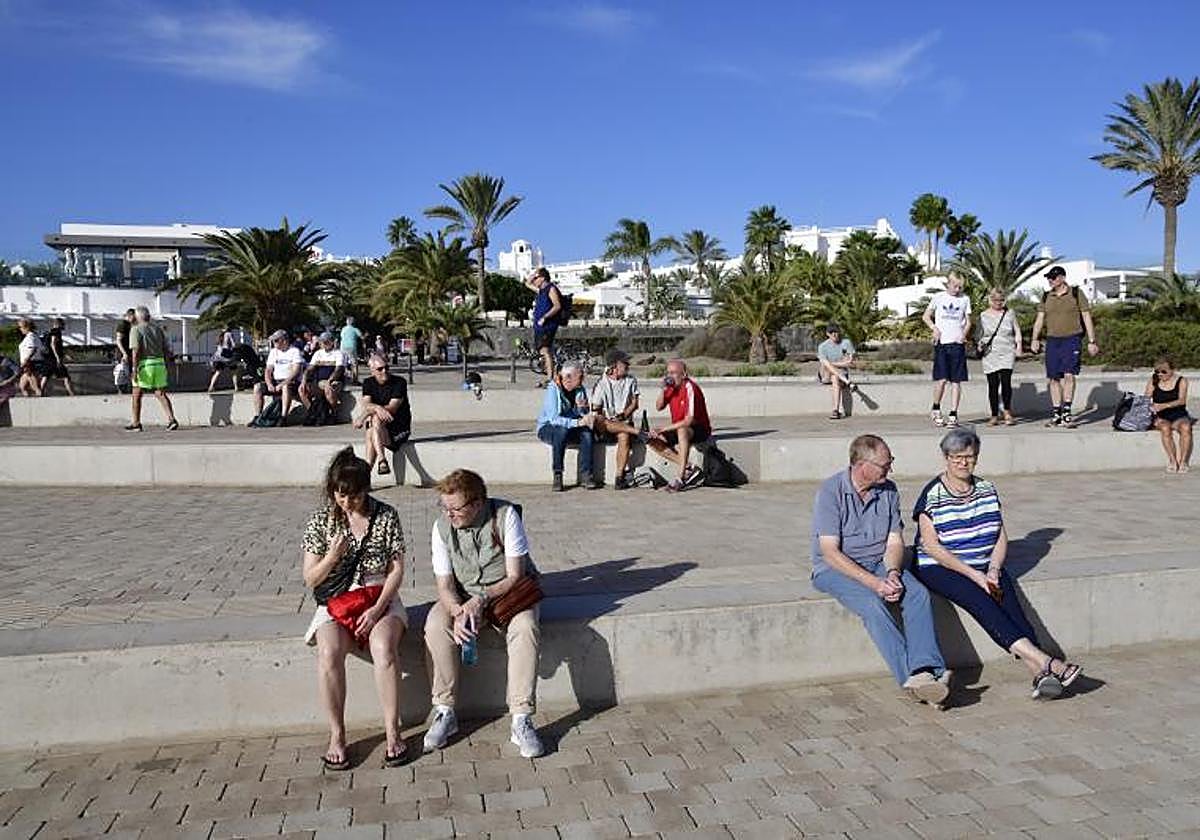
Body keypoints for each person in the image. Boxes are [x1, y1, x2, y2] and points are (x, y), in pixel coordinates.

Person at [912, 429, 1083, 698]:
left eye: (970, 456)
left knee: (1012, 608)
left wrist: (992, 569)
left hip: (984, 564)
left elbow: (1000, 535)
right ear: (946, 458)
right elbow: (932, 547)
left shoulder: (986, 488)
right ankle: (1050, 663)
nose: (964, 463)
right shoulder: (932, 495)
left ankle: (1039, 672)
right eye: (957, 457)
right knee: (984, 604)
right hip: (942, 567)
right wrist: (975, 576)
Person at [811, 434, 950, 705]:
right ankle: (913, 678)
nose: (890, 469)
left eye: (890, 463)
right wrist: (875, 584)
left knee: (918, 594)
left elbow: (894, 541)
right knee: (873, 605)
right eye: (885, 464)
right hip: (835, 569)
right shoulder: (830, 492)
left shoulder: (889, 490)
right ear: (862, 465)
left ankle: (926, 670)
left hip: (878, 563)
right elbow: (830, 552)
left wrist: (893, 573)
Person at [423, 469, 545, 759]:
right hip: (463, 597)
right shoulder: (441, 528)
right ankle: (444, 710)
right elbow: (445, 585)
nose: (449, 514)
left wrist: (481, 599)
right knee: (435, 625)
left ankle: (521, 718)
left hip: (507, 595)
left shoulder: (505, 516)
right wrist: (457, 610)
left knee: (525, 628)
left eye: (456, 508)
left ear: (477, 503)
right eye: (445, 507)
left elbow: (515, 575)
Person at [302, 447, 409, 770]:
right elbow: (310, 579)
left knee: (383, 647)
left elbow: (397, 569)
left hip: (379, 596)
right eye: (340, 495)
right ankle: (337, 734)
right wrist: (332, 557)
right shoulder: (322, 521)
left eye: (354, 495)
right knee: (329, 652)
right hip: (337, 601)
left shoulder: (386, 515)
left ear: (366, 489)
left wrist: (377, 610)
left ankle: (393, 730)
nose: (346, 502)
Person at [1029, 266, 1099, 428]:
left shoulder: (1076, 293)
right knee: (1053, 378)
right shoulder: (1047, 296)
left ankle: (1067, 413)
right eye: (1049, 278)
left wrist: (1092, 341)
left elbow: (1086, 316)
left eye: (1052, 278)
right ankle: (1056, 414)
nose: (1050, 281)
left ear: (1061, 278)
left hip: (1072, 339)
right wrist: (1035, 339)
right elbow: (1039, 319)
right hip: (1053, 341)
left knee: (1069, 375)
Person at [646, 358, 710, 491]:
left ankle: (680, 478)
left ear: (684, 374)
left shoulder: (690, 388)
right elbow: (659, 406)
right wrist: (663, 390)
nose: (670, 376)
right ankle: (688, 467)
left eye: (674, 373)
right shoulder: (670, 388)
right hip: (679, 427)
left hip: (698, 428)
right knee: (650, 438)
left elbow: (688, 421)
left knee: (682, 430)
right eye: (668, 373)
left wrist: (662, 429)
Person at [535, 361, 598, 491]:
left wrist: (583, 410)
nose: (582, 380)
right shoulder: (553, 389)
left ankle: (586, 474)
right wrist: (577, 422)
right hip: (549, 427)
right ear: (568, 377)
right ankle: (557, 473)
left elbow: (582, 413)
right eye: (579, 377)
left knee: (587, 432)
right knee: (561, 431)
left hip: (571, 425)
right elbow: (554, 419)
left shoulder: (579, 389)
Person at [923, 273, 971, 428]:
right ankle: (936, 408)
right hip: (942, 343)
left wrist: (963, 335)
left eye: (960, 287)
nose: (957, 289)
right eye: (955, 286)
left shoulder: (965, 299)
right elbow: (926, 316)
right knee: (942, 380)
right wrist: (934, 328)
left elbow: (968, 321)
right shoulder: (938, 297)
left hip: (957, 344)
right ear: (948, 284)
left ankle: (953, 413)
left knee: (956, 381)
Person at [589, 348, 642, 489]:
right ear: (614, 366)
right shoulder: (601, 384)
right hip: (605, 426)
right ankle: (636, 431)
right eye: (624, 363)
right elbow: (596, 411)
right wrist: (609, 418)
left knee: (624, 435)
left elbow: (635, 403)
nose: (627, 366)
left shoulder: (631, 381)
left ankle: (619, 477)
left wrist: (624, 414)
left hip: (623, 422)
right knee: (600, 421)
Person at [355, 353, 411, 476]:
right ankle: (378, 465)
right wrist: (377, 408)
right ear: (372, 371)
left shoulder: (399, 383)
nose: (384, 371)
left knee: (374, 422)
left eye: (386, 367)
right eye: (380, 369)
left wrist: (364, 416)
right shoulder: (368, 383)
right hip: (380, 430)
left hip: (399, 429)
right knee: (372, 430)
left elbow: (392, 408)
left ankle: (378, 462)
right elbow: (367, 405)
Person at [128, 306, 179, 432]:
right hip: (159, 364)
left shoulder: (136, 330)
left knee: (137, 394)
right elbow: (166, 349)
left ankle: (136, 423)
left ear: (137, 317)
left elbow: (136, 351)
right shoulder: (157, 329)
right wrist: (166, 365)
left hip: (145, 365)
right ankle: (171, 419)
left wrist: (134, 370)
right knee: (160, 393)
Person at [978, 288, 1023, 426]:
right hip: (990, 352)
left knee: (1006, 382)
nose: (998, 303)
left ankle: (1007, 412)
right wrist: (979, 345)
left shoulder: (1009, 313)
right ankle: (994, 415)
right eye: (996, 300)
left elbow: (1017, 330)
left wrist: (1019, 346)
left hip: (1007, 350)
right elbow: (979, 334)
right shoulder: (983, 315)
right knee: (992, 384)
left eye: (1001, 300)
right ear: (990, 300)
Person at [1147, 356, 1193, 474]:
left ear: (1172, 370)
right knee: (1165, 428)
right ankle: (1173, 461)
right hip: (1160, 416)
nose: (1160, 374)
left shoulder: (1181, 381)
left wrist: (1165, 405)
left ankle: (1183, 461)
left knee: (1185, 428)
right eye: (1157, 371)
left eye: (1164, 371)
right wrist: (1153, 406)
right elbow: (1146, 398)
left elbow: (1182, 400)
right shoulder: (1154, 380)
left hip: (1178, 414)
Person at [253, 329, 304, 425]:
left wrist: (282, 384)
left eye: (276, 340)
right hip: (275, 381)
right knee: (258, 387)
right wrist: (269, 384)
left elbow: (295, 371)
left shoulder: (294, 351)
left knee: (285, 387)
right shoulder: (273, 352)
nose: (274, 343)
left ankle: (283, 417)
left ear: (284, 340)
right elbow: (268, 370)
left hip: (291, 382)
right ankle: (258, 416)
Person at [524, 267, 564, 387]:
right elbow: (527, 283)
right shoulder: (541, 290)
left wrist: (545, 317)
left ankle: (550, 378)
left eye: (536, 278)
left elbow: (557, 306)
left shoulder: (551, 289)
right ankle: (551, 376)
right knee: (542, 350)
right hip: (539, 326)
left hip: (548, 325)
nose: (534, 280)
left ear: (542, 278)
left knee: (546, 350)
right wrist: (534, 273)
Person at [301, 332, 347, 420]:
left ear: (332, 342)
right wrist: (303, 380)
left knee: (328, 388)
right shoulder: (318, 353)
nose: (323, 344)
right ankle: (313, 412)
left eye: (326, 342)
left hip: (335, 381)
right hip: (319, 382)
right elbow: (309, 369)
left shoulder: (338, 353)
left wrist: (329, 381)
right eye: (321, 342)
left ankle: (334, 412)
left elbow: (338, 370)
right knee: (301, 390)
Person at [816, 322, 856, 420]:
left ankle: (835, 410)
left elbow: (849, 363)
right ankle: (849, 383)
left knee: (835, 377)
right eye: (831, 332)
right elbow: (824, 364)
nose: (834, 334)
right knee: (831, 371)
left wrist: (831, 364)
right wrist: (837, 363)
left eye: (836, 332)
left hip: (841, 375)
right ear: (827, 334)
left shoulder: (846, 343)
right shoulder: (822, 346)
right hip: (825, 375)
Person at [40, 317, 75, 397]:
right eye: (63, 324)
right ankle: (72, 394)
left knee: (46, 376)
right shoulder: (56, 332)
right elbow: (53, 344)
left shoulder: (48, 332)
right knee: (66, 377)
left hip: (47, 358)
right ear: (59, 324)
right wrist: (57, 357)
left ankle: (40, 393)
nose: (64, 326)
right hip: (54, 359)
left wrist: (65, 355)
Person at [16, 318, 44, 397]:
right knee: (22, 386)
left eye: (21, 327)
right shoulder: (31, 336)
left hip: (30, 363)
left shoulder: (31, 337)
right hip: (29, 363)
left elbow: (32, 349)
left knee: (34, 386)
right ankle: (29, 403)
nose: (20, 329)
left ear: (27, 327)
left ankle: (40, 399)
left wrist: (26, 361)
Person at [207, 328, 238, 393]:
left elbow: (217, 346)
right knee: (234, 372)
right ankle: (236, 387)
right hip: (228, 357)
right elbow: (233, 344)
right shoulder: (229, 334)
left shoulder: (219, 336)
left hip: (219, 357)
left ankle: (211, 386)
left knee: (217, 372)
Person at [114, 309, 135, 394]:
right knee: (122, 373)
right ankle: (121, 391)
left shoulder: (131, 325)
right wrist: (124, 353)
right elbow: (118, 340)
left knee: (129, 373)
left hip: (129, 353)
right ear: (130, 315)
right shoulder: (122, 325)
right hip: (123, 354)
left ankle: (127, 391)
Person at [340, 316, 365, 383]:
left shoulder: (343, 329)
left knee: (343, 363)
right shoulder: (355, 329)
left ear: (347, 322)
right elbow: (362, 337)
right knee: (354, 364)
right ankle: (355, 380)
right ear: (353, 322)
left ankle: (343, 378)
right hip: (351, 347)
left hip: (343, 347)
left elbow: (342, 336)